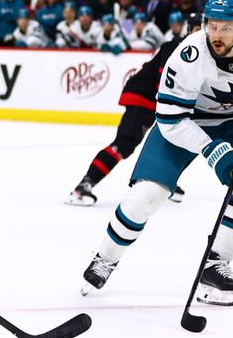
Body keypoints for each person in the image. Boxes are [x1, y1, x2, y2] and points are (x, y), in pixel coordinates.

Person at [80, 0, 233, 307]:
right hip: (184, 122)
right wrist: (213, 150)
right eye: (212, 25)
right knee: (147, 195)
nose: (216, 34)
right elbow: (170, 120)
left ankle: (216, 264)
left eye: (226, 27)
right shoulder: (188, 56)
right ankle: (106, 257)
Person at [67, 13, 202, 206]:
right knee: (125, 143)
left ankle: (162, 180)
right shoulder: (176, 47)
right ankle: (83, 188)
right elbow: (163, 82)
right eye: (198, 29)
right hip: (142, 97)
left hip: (153, 100)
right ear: (189, 31)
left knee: (171, 141)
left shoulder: (194, 52)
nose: (202, 34)